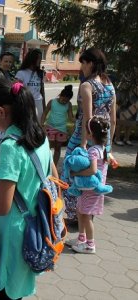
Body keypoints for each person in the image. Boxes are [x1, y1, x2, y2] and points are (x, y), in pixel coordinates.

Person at [0, 79, 56, 299]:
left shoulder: (10, 146)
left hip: (13, 233)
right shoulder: (38, 135)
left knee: (4, 290)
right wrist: (3, 188)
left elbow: (2, 207)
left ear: (1, 112)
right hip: (33, 224)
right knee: (15, 290)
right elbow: (49, 176)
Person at [61, 48, 116, 223]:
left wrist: (83, 144)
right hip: (103, 142)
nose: (82, 66)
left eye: (83, 62)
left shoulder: (87, 85)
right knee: (96, 178)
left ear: (90, 63)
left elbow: (87, 117)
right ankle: (88, 216)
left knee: (70, 174)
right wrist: (109, 146)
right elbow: (113, 120)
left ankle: (74, 216)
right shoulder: (110, 85)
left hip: (82, 140)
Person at [65, 116, 111, 254]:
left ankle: (90, 245)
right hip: (91, 188)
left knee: (87, 215)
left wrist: (74, 174)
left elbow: (92, 170)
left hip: (90, 189)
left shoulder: (92, 151)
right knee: (80, 211)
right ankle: (81, 238)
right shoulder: (103, 149)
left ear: (90, 134)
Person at [41, 85, 75, 165]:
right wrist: (42, 124)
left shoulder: (68, 105)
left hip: (62, 129)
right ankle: (46, 163)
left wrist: (77, 120)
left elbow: (70, 117)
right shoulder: (52, 102)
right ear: (60, 95)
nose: (64, 102)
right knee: (48, 146)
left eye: (66, 101)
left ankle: (54, 165)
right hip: (50, 127)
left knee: (58, 148)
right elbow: (45, 113)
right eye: (63, 99)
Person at [15, 48, 46, 119]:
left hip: (39, 102)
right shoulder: (21, 73)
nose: (40, 60)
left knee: (38, 125)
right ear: (32, 59)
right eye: (38, 58)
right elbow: (17, 91)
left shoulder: (40, 73)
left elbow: (42, 90)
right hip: (27, 103)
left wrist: (44, 105)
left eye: (41, 58)